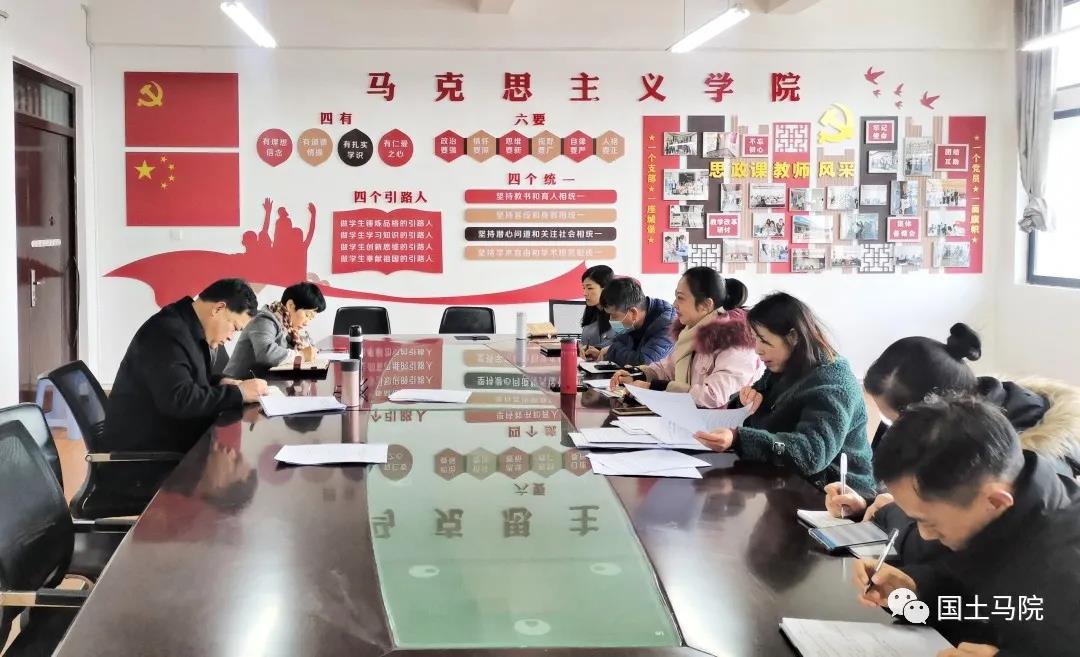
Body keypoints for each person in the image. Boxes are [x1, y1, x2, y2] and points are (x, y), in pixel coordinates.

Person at [824, 323, 1080, 564]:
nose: (897, 434)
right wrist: (868, 505)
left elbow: (942, 545)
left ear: (932, 417)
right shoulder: (974, 417)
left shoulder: (1009, 462)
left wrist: (887, 511)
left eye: (897, 421)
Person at [853, 394, 1080, 657]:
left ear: (995, 501)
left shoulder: (1064, 571)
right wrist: (915, 589)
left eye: (928, 522)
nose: (924, 535)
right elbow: (979, 596)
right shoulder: (1007, 509)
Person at [693, 292, 876, 497]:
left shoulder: (833, 384)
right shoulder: (786, 365)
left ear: (793, 337)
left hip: (838, 496)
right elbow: (757, 404)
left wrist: (739, 439)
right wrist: (745, 402)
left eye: (764, 341)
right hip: (789, 482)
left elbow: (810, 454)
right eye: (755, 339)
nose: (758, 350)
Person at [104, 278, 268, 453]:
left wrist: (220, 382)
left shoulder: (187, 326)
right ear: (218, 308)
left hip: (165, 435)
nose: (231, 337)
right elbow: (179, 399)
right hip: (145, 451)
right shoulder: (167, 333)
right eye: (234, 327)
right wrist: (239, 393)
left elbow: (189, 379)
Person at [609, 267, 760, 408]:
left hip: (718, 425)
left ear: (706, 305)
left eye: (680, 298)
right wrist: (637, 374)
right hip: (687, 418)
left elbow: (713, 396)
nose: (674, 304)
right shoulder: (690, 332)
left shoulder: (735, 342)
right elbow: (667, 368)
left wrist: (653, 387)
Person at [224, 282, 326, 378]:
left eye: (311, 318)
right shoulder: (264, 320)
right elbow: (267, 354)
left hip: (264, 383)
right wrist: (301, 355)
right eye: (307, 315)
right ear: (290, 305)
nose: (307, 323)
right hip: (236, 385)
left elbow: (307, 348)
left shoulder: (289, 327)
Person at [597, 277, 676, 367]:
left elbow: (645, 364)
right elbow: (618, 342)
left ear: (633, 313)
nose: (610, 320)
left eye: (614, 316)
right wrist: (599, 350)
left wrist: (612, 350)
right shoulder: (631, 321)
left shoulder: (667, 324)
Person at [578, 264, 615, 360]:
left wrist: (600, 352)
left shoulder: (619, 314)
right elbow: (584, 342)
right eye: (584, 288)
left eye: (590, 288)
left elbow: (623, 346)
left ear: (605, 289)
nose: (585, 293)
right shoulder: (592, 310)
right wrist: (581, 348)